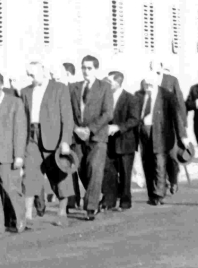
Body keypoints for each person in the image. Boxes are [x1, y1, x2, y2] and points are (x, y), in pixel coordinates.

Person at [20, 58, 74, 225]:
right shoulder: (25, 91)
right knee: (30, 174)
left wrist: (65, 141)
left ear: (43, 70)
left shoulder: (59, 89)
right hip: (32, 138)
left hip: (54, 137)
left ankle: (62, 213)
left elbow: (67, 118)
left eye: (34, 74)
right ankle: (28, 216)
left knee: (60, 175)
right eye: (29, 75)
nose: (32, 78)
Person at [69, 54, 114, 220]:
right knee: (81, 169)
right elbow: (69, 112)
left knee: (95, 169)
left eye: (89, 68)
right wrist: (75, 129)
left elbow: (108, 113)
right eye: (83, 68)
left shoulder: (104, 87)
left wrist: (90, 129)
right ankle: (95, 195)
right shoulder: (74, 87)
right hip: (78, 137)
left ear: (95, 69)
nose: (86, 71)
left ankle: (91, 206)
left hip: (97, 137)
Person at [0, 68, 28, 232]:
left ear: (2, 85)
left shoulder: (14, 103)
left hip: (8, 150)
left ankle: (20, 219)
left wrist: (19, 156)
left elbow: (20, 130)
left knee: (11, 186)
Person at [137, 70, 186, 204]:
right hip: (144, 134)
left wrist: (183, 136)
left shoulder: (167, 96)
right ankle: (152, 194)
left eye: (151, 85)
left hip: (161, 133)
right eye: (146, 85)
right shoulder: (139, 96)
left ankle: (159, 194)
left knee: (159, 163)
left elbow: (177, 117)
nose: (148, 88)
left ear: (156, 83)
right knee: (147, 164)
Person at [103, 71, 139, 211]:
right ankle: (109, 201)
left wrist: (118, 127)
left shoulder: (131, 99)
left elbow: (134, 119)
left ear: (118, 83)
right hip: (108, 142)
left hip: (125, 142)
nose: (107, 84)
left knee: (125, 173)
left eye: (109, 82)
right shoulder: (105, 98)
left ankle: (125, 201)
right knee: (109, 172)